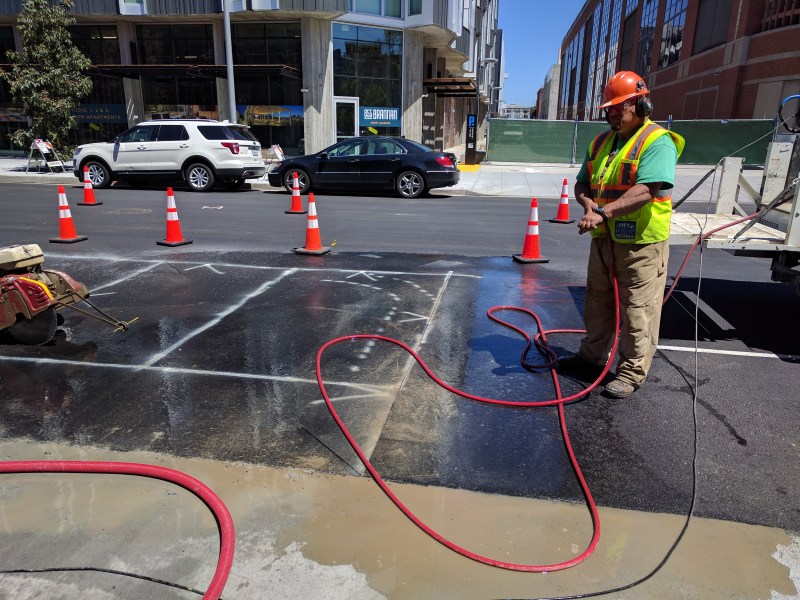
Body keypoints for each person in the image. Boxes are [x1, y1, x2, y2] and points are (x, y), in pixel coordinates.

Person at [559, 71, 685, 399]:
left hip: (642, 242)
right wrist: (589, 206)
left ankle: (630, 374)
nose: (613, 114)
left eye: (620, 108)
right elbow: (582, 183)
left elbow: (646, 190)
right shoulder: (600, 142)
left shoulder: (657, 141)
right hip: (604, 238)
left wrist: (601, 213)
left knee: (638, 308)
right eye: (610, 109)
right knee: (598, 301)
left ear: (641, 105)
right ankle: (591, 358)